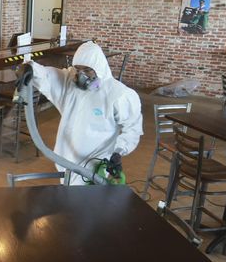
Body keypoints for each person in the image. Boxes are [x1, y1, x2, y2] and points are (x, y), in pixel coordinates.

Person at [20, 41, 143, 185]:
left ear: (99, 68)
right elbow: (47, 76)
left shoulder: (118, 94)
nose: (81, 75)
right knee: (70, 198)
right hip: (66, 161)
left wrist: (119, 151)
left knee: (88, 201)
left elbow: (133, 129)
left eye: (87, 70)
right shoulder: (69, 84)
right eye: (77, 69)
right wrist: (30, 68)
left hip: (95, 164)